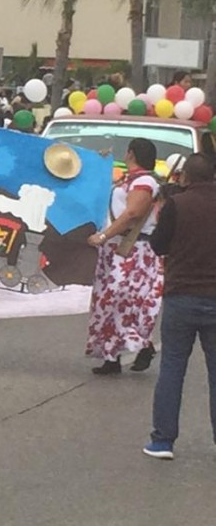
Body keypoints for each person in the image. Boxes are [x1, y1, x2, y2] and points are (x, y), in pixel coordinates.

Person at [144, 154, 216, 459]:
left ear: (185, 176)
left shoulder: (177, 204)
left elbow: (158, 244)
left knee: (173, 368)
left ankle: (163, 440)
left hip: (181, 295)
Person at [86, 138, 163, 375]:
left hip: (134, 250)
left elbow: (133, 213)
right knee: (109, 302)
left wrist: (104, 235)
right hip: (117, 251)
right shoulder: (128, 180)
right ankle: (111, 356)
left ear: (131, 154)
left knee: (125, 299)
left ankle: (143, 345)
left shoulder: (144, 182)